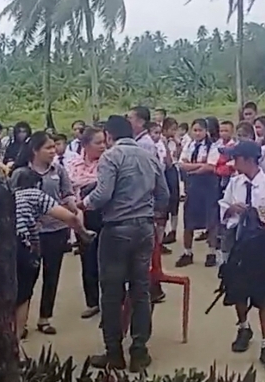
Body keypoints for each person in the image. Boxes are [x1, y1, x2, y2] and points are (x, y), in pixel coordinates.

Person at [81, 115, 169, 372]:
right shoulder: (149, 155)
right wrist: (151, 212)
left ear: (109, 135)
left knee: (111, 292)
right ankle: (139, 352)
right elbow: (164, 194)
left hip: (117, 229)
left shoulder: (111, 156)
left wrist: (83, 204)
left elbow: (102, 194)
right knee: (140, 291)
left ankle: (114, 353)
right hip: (144, 229)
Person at [218, 141, 265, 371]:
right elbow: (223, 208)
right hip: (238, 244)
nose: (234, 163)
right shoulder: (235, 183)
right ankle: (244, 326)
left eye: (236, 159)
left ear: (248, 160)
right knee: (238, 290)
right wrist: (231, 210)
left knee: (264, 295)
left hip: (261, 246)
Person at [12, 169, 90, 352]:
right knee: (24, 294)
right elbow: (68, 216)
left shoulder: (8, 195)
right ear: (37, 184)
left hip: (2, 246)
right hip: (22, 245)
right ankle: (14, 343)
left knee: (9, 292)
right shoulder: (35, 194)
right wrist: (84, 233)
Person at [10, 132, 76, 335]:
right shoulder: (20, 173)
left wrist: (74, 210)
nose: (53, 151)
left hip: (55, 230)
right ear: (35, 151)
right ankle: (21, 323)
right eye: (48, 148)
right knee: (26, 279)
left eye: (54, 147)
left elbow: (68, 194)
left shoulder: (59, 171)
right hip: (29, 235)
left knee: (51, 275)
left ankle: (45, 318)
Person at [67, 127, 107, 320]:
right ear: (85, 145)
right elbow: (71, 184)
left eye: (104, 142)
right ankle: (92, 302)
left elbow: (104, 186)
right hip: (83, 215)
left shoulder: (108, 162)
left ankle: (110, 300)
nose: (102, 146)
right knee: (88, 259)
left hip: (105, 214)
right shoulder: (73, 163)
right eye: (97, 142)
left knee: (108, 260)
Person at [176, 119, 221, 267]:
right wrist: (198, 166)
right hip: (192, 187)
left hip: (208, 187)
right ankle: (187, 252)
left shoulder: (213, 147)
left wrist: (192, 169)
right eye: (194, 130)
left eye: (200, 130)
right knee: (188, 220)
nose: (197, 133)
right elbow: (181, 165)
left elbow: (210, 167)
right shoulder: (188, 145)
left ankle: (211, 252)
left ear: (206, 131)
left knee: (211, 220)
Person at [160, 118, 182, 245]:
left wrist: (178, 144)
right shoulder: (160, 141)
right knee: (165, 200)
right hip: (164, 170)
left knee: (175, 199)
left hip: (173, 169)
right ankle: (162, 233)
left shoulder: (175, 142)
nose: (174, 132)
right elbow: (167, 160)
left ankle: (173, 230)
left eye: (175, 129)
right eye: (171, 129)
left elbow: (177, 157)